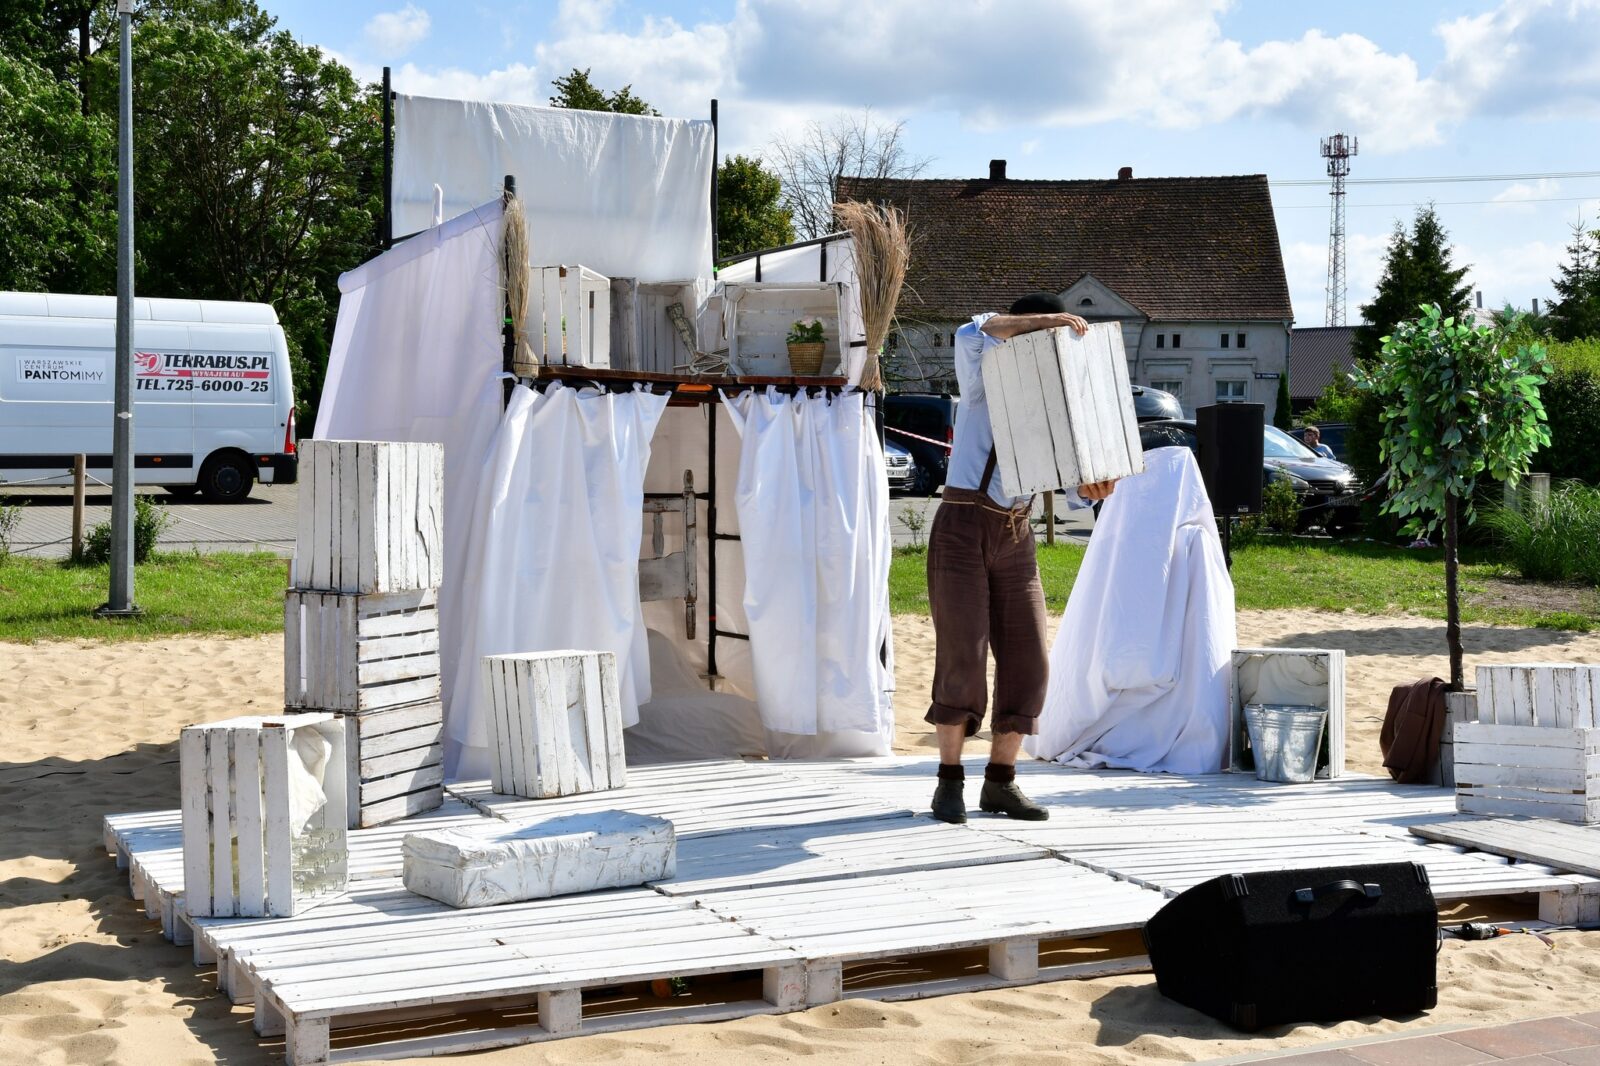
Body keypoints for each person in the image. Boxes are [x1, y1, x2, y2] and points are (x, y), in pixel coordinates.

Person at [926, 292, 1120, 824]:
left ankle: (1001, 782)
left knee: (1030, 661)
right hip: (962, 524)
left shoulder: (1057, 407)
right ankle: (948, 783)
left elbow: (1077, 488)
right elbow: (976, 327)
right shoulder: (982, 375)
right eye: (1045, 338)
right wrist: (1049, 320)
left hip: (1016, 533)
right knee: (963, 656)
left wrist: (1095, 487)